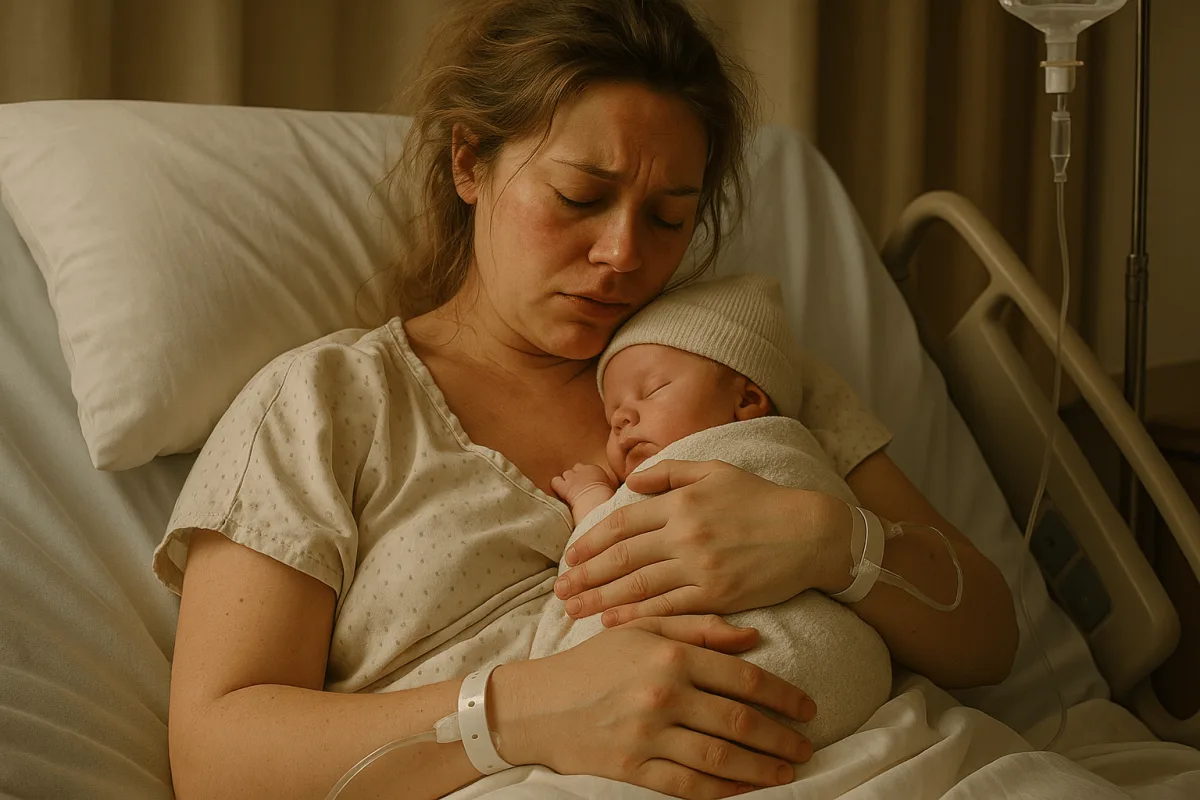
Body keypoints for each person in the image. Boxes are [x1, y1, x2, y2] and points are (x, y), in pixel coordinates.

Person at [152, 1, 1018, 798]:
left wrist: (835, 544)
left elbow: (987, 640)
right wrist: (518, 712)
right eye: (580, 197)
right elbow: (216, 758)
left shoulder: (725, 364)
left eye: (670, 217)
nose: (622, 252)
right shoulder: (326, 406)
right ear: (468, 163)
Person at [539, 273, 893, 752]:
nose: (622, 419)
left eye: (653, 389)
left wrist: (590, 500)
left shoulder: (763, 451)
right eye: (613, 414)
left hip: (774, 658)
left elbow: (603, 548)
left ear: (746, 401)